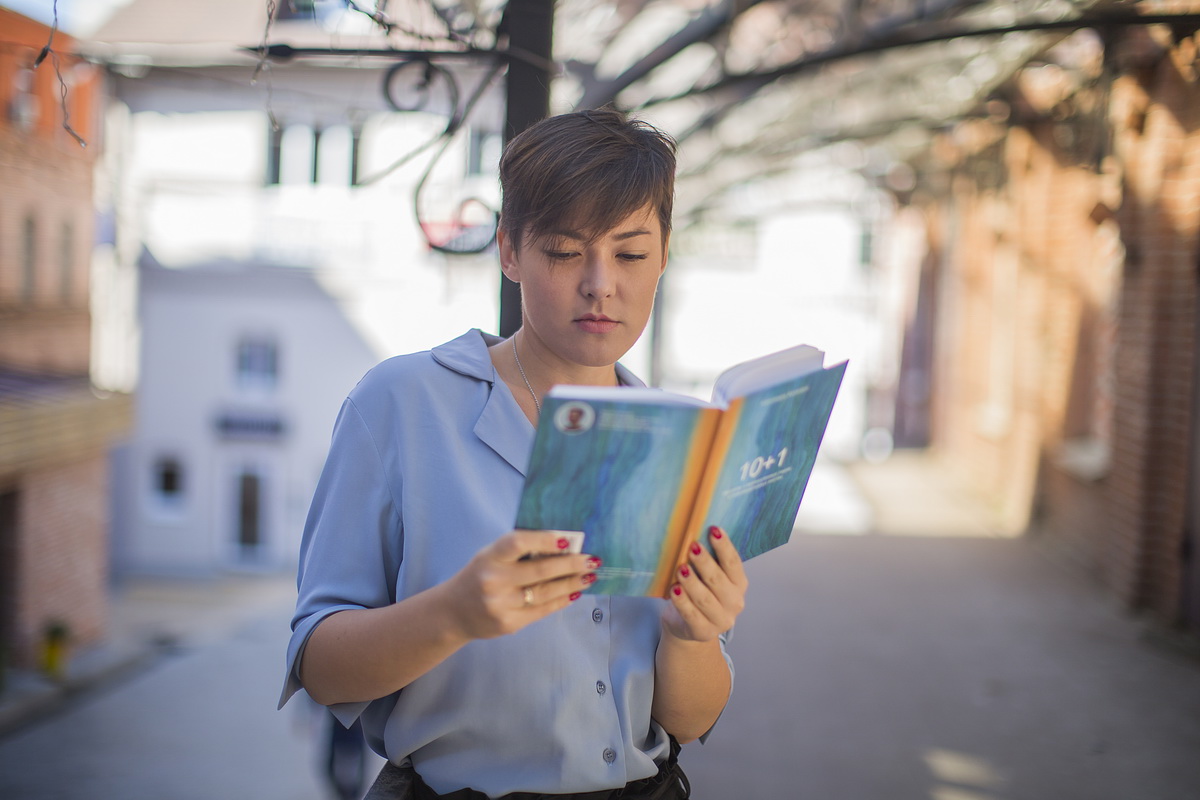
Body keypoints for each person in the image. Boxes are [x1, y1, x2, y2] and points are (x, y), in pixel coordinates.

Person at [279, 108, 750, 800]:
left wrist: (692, 636)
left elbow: (690, 719)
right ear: (508, 251)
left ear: (665, 254)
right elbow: (318, 666)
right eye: (564, 252)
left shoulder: (684, 439)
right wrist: (454, 615)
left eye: (630, 253)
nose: (600, 284)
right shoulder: (401, 404)